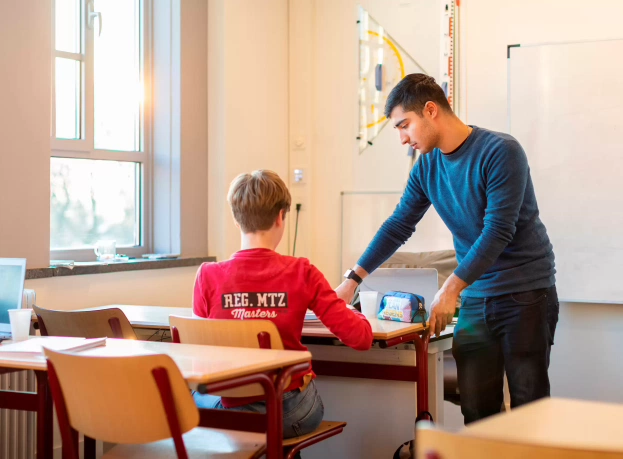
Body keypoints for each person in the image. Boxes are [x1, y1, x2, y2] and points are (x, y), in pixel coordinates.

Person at [336, 74, 558, 424]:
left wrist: (451, 288)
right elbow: (398, 225)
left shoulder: (501, 151)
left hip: (526, 293)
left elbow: (498, 230)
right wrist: (353, 279)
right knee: (476, 410)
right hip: (476, 295)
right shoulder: (426, 166)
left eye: (404, 125)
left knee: (529, 409)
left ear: (430, 110)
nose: (402, 138)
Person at [193, 169, 374, 438]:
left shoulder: (207, 274)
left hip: (230, 411)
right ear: (281, 216)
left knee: (195, 396)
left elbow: (198, 349)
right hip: (289, 412)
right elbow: (361, 339)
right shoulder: (302, 272)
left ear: (235, 218)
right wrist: (348, 309)